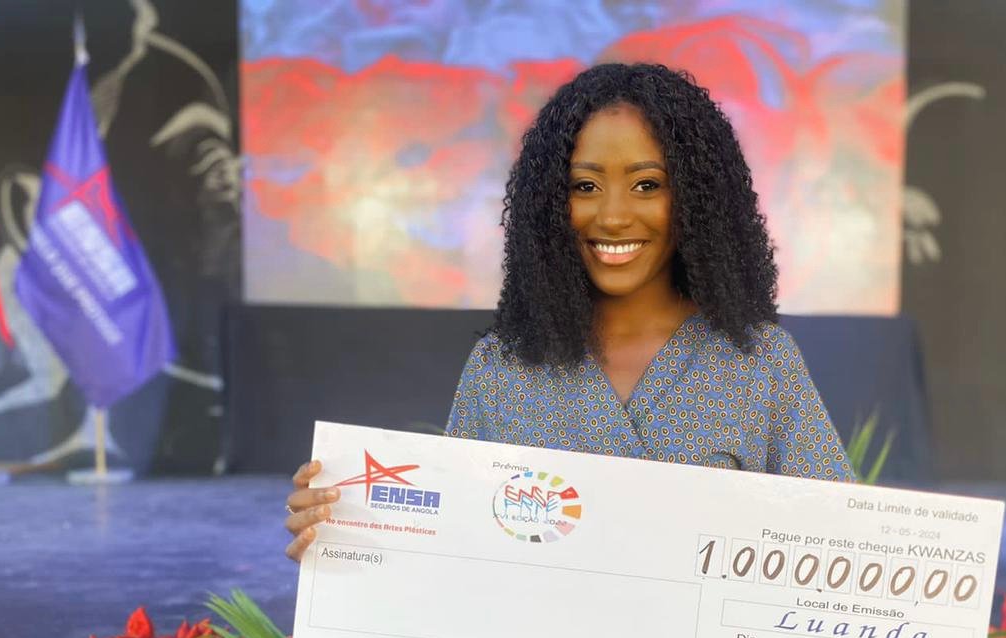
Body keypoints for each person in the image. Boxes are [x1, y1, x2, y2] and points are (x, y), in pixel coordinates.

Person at [284, 63, 853, 561]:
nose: (613, 216)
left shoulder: (758, 360)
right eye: (585, 186)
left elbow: (839, 549)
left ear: (698, 199)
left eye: (647, 184)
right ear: (550, 203)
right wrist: (346, 532)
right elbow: (448, 545)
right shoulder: (502, 367)